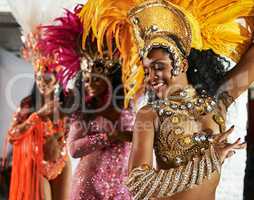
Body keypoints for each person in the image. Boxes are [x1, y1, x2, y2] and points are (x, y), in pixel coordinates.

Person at [77, 0, 254, 199]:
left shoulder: (217, 101)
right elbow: (138, 184)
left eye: (158, 67)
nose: (151, 77)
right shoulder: (149, 115)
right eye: (147, 71)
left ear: (183, 64)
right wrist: (209, 162)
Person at [38, 6, 135, 199]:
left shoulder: (130, 105)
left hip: (122, 187)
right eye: (88, 79)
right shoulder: (84, 108)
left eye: (96, 79)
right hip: (89, 186)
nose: (90, 85)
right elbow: (74, 149)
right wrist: (109, 136)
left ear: (111, 80)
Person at [7, 31, 71, 200]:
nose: (43, 84)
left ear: (57, 80)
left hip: (61, 163)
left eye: (48, 80)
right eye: (40, 79)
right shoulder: (28, 104)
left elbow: (72, 134)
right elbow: (13, 136)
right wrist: (37, 117)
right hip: (36, 164)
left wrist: (60, 134)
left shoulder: (67, 102)